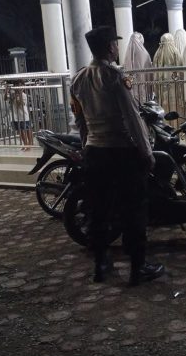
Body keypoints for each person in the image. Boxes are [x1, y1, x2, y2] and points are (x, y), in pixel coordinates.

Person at [70, 25, 165, 286]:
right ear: (109, 47)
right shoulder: (114, 77)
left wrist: (86, 148)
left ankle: (101, 264)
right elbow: (132, 118)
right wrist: (146, 152)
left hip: (94, 152)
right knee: (133, 210)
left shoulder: (78, 79)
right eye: (114, 43)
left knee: (99, 211)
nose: (117, 47)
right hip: (121, 152)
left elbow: (80, 121)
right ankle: (138, 266)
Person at [4, 79, 33, 150]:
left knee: (27, 130)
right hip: (15, 117)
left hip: (23, 116)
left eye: (20, 86)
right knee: (20, 131)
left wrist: (19, 93)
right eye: (17, 85)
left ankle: (29, 145)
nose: (18, 87)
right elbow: (5, 98)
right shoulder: (12, 94)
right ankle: (25, 144)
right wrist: (6, 90)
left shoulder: (24, 95)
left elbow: (20, 104)